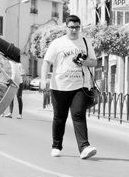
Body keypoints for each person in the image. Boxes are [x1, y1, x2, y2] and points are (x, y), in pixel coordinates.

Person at [41, 15, 98, 160]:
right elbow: (46, 62)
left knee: (78, 115)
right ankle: (56, 146)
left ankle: (84, 147)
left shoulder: (85, 41)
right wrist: (43, 80)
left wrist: (84, 62)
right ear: (66, 27)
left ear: (80, 27)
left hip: (80, 86)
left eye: (77, 27)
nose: (74, 30)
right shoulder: (57, 43)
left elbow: (94, 62)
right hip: (59, 86)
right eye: (71, 27)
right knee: (59, 117)